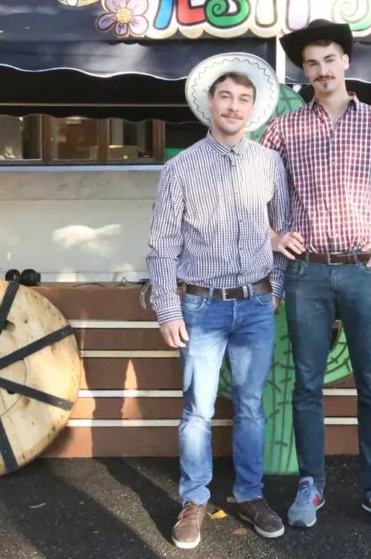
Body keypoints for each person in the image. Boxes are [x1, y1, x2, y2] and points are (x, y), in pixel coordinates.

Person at [260, 19, 371, 533]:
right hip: (307, 273)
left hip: (365, 271)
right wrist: (273, 235)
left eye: (329, 59)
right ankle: (311, 483)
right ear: (304, 70)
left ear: (346, 61)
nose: (321, 70)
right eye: (311, 63)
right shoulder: (284, 129)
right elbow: (252, 189)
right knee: (307, 385)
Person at [146, 53, 293, 549]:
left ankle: (250, 495)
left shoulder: (269, 163)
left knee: (250, 408)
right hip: (200, 308)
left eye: (243, 99)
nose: (234, 106)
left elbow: (282, 231)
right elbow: (162, 246)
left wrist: (276, 287)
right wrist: (167, 309)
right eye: (226, 96)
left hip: (255, 306)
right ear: (210, 103)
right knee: (198, 411)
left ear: (253, 109)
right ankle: (194, 500)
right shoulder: (180, 168)